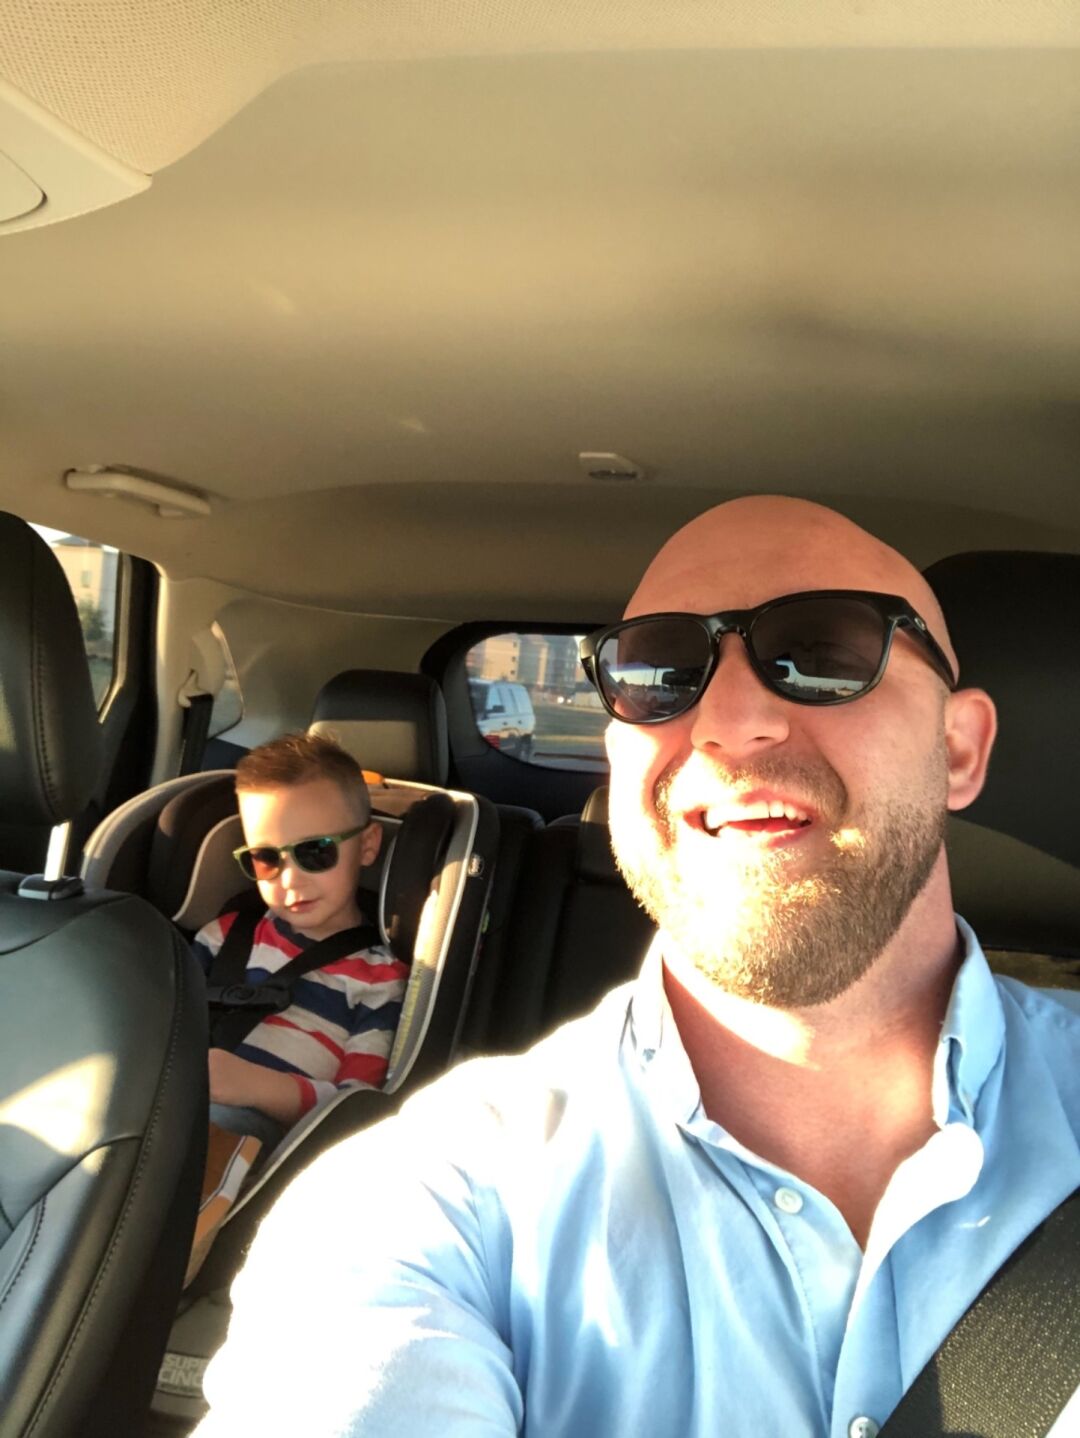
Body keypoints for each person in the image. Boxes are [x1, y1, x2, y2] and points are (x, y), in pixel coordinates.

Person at [195, 497, 1080, 1437]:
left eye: (822, 654)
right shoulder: (423, 1204)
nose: (726, 723)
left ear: (957, 749)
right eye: (659, 675)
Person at [193, 731, 407, 1147]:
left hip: (265, 1145)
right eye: (266, 858)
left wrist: (256, 1086)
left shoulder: (380, 980)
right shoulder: (222, 938)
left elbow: (355, 1112)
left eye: (315, 852)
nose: (290, 881)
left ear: (367, 846)